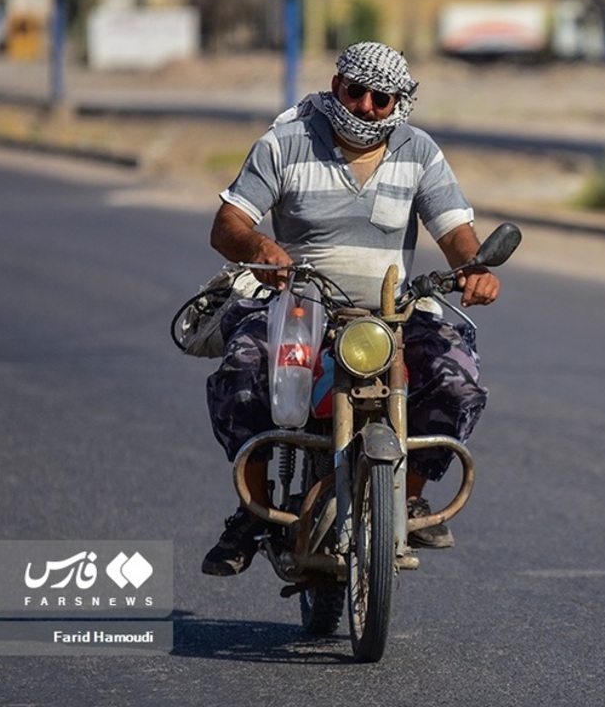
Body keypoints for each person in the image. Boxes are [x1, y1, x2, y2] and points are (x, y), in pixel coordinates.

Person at [202, 41, 501, 576]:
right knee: (243, 374)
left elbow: (454, 231)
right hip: (298, 308)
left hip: (393, 316)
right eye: (354, 91)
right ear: (337, 85)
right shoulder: (286, 143)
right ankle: (254, 510)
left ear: (399, 103)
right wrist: (260, 249)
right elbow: (228, 226)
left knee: (458, 382)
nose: (365, 106)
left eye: (380, 98)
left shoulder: (419, 152)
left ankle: (409, 498)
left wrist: (474, 267)